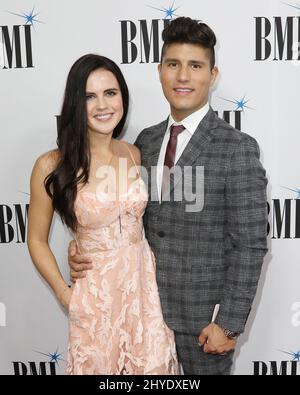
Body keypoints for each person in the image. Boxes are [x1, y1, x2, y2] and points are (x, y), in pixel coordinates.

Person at [68, 18, 268, 375]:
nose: (183, 77)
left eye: (195, 66)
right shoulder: (145, 142)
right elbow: (128, 216)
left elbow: (250, 245)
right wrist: (83, 246)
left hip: (203, 327)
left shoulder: (237, 148)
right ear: (160, 71)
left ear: (213, 74)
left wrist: (230, 324)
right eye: (173, 64)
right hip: (140, 316)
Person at [27, 54, 178, 375]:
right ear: (75, 104)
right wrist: (65, 294)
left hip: (144, 294)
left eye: (110, 93)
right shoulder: (51, 165)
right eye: (89, 96)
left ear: (122, 97)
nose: (102, 105)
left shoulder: (133, 153)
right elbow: (36, 240)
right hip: (96, 301)